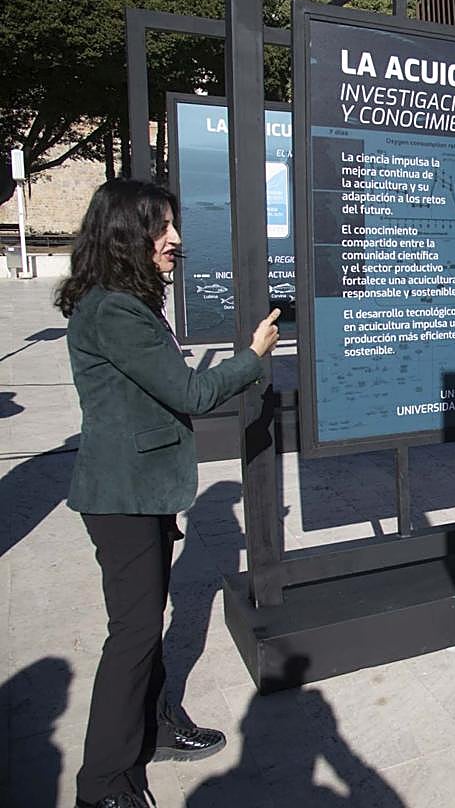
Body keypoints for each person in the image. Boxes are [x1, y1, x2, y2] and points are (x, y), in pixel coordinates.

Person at [56, 179, 281, 808]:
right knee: (131, 636)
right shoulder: (115, 311)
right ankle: (102, 783)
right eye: (162, 227)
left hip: (141, 491)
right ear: (127, 233)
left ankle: (154, 726)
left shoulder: (124, 302)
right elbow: (190, 393)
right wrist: (253, 357)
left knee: (144, 626)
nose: (175, 239)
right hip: (121, 497)